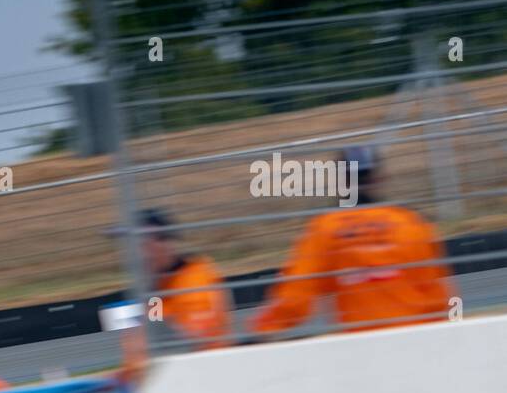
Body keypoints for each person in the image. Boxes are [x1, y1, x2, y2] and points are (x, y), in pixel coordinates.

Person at [251, 146, 455, 336]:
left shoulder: (325, 229)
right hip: (417, 338)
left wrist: (264, 330)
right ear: (379, 178)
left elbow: (295, 295)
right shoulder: (410, 223)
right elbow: (438, 293)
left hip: (360, 346)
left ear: (341, 180)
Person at [139, 209, 232, 350]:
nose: (140, 254)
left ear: (163, 244)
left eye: (144, 245)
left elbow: (198, 334)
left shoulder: (196, 276)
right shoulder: (156, 288)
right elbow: (156, 333)